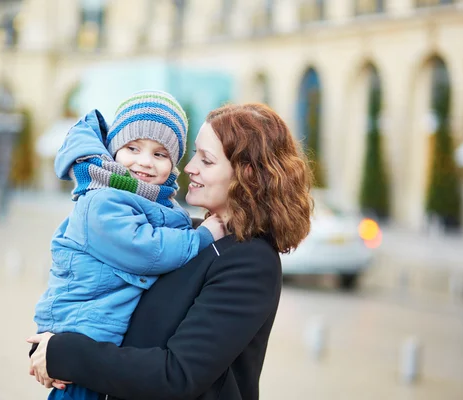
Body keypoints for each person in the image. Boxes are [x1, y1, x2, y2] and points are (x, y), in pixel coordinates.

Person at [28, 103, 313, 400]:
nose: (189, 168)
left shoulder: (251, 262)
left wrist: (65, 353)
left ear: (247, 174)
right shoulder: (184, 235)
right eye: (193, 156)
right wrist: (53, 341)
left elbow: (177, 375)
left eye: (206, 160)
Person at [33, 90, 226, 400]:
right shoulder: (102, 201)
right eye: (133, 148)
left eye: (160, 154)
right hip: (82, 342)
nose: (144, 162)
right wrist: (203, 236)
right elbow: (148, 251)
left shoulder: (151, 200)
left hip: (100, 346)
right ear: (113, 150)